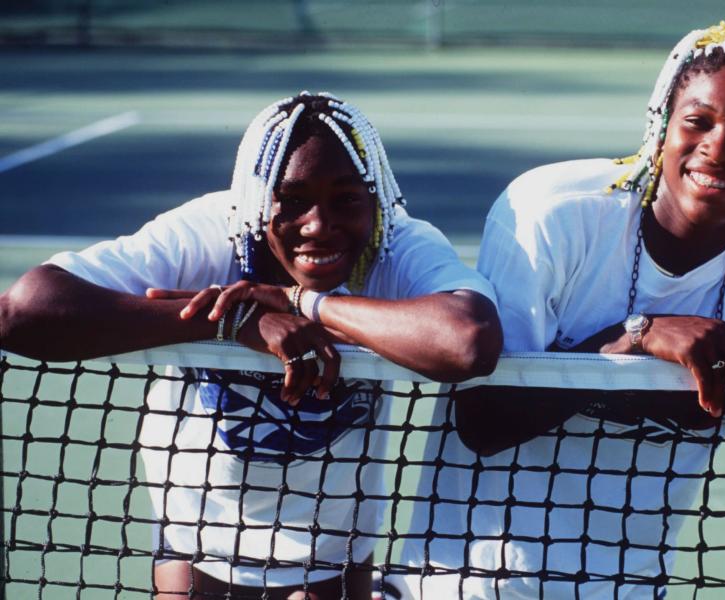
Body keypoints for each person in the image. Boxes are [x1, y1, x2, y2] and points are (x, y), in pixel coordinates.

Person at [395, 20, 725, 599]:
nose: (721, 146)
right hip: (466, 587)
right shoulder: (555, 215)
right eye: (698, 122)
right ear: (660, 128)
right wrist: (637, 338)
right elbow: (483, 421)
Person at [0, 92, 502, 598]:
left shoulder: (396, 245)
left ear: (376, 201)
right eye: (292, 200)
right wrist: (231, 321)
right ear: (259, 200)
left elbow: (466, 342)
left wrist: (299, 302)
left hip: (331, 555)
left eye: (346, 200)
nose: (318, 225)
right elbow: (22, 312)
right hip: (197, 548)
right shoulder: (209, 232)